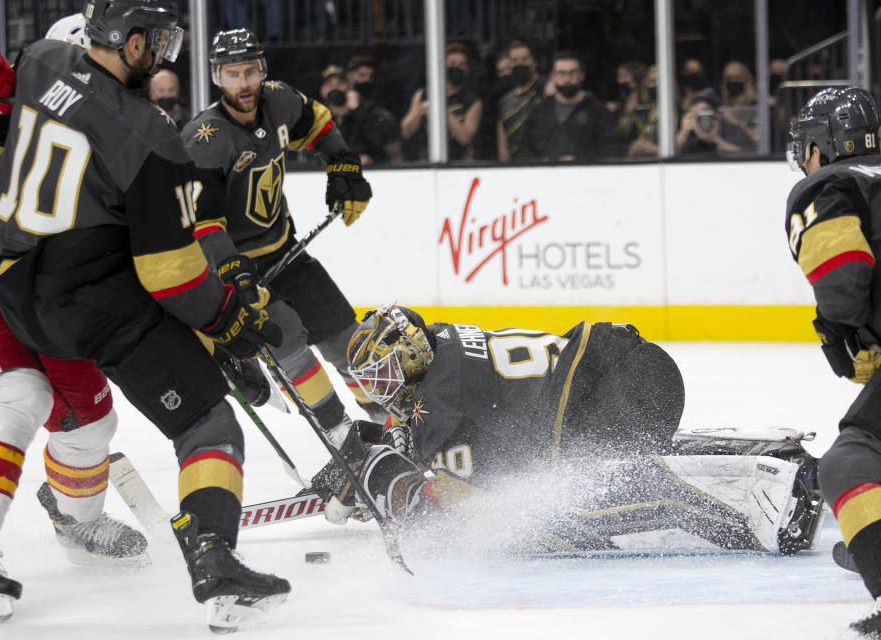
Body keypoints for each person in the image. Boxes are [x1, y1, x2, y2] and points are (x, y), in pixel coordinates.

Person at [0, 2, 290, 631]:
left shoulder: (41, 61)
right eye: (161, 41)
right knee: (209, 422)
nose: (168, 55)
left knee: (141, 347)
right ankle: (215, 559)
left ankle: (74, 505)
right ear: (130, 40)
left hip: (10, 289)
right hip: (87, 304)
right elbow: (168, 274)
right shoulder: (149, 134)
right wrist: (228, 321)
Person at [0, 19, 151, 624]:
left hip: (47, 296)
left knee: (91, 422)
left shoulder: (121, 128)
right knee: (20, 391)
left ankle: (79, 526)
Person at [309, 304, 822, 555]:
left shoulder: (439, 400)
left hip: (614, 389)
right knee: (567, 469)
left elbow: (443, 506)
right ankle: (770, 457)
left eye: (384, 374)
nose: (379, 391)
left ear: (411, 358)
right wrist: (379, 447)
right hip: (629, 371)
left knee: (555, 510)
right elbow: (463, 437)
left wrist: (373, 477)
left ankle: (754, 516)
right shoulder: (440, 345)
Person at [181, 28, 387, 442]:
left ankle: (385, 425)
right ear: (218, 78)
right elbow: (203, 223)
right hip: (233, 266)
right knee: (287, 338)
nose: (244, 83)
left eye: (251, 71)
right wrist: (232, 272)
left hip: (285, 251)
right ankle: (342, 435)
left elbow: (319, 123)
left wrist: (342, 163)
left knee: (344, 337)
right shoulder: (206, 140)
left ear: (263, 70)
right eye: (233, 74)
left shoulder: (278, 99)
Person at [785, 87, 881, 638]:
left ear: (820, 148)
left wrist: (841, 327)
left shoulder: (828, 185)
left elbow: (843, 285)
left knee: (851, 462)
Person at [522, 50, 614, 163]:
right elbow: (525, 150)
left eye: (573, 73)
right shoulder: (539, 112)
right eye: (561, 73)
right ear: (552, 76)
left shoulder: (598, 111)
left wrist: (579, 160)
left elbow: (610, 150)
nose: (567, 79)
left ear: (581, 76)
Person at [400, 42, 483, 162]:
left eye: (462, 64)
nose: (457, 67)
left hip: (460, 164)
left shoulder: (473, 101)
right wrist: (420, 111)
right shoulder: (422, 95)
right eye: (452, 63)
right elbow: (406, 131)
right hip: (426, 162)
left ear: (467, 69)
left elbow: (465, 138)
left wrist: (441, 109)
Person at [339, 54, 402, 165]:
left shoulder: (381, 116)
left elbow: (395, 156)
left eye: (371, 76)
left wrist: (357, 111)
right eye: (362, 75)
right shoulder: (332, 110)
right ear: (349, 77)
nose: (367, 80)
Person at [496, 40, 544, 162]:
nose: (519, 64)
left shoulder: (547, 91)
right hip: (515, 169)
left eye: (524, 59)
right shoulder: (504, 101)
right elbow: (503, 144)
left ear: (533, 63)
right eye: (514, 60)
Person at [675, 88, 753, 157]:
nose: (702, 118)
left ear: (717, 114)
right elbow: (670, 155)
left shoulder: (732, 130)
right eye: (695, 112)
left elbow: (749, 155)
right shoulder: (689, 132)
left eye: (705, 112)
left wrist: (715, 140)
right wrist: (683, 133)